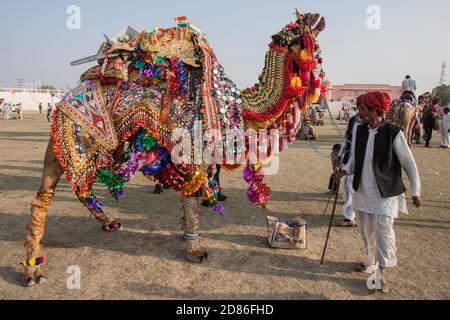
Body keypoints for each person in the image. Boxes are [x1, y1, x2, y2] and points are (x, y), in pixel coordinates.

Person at [339, 91, 421, 294]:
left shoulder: (394, 133)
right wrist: (345, 170)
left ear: (375, 111)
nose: (360, 112)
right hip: (362, 191)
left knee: (384, 232)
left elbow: (409, 165)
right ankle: (370, 259)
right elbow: (354, 160)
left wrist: (415, 191)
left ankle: (382, 270)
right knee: (366, 231)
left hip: (385, 194)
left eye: (364, 109)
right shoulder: (360, 130)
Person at [335, 96, 364, 227]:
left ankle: (351, 217)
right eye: (360, 107)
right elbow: (347, 138)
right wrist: (341, 154)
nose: (361, 110)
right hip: (351, 157)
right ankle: (350, 217)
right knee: (349, 187)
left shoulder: (372, 123)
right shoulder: (353, 120)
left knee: (352, 187)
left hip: (364, 160)